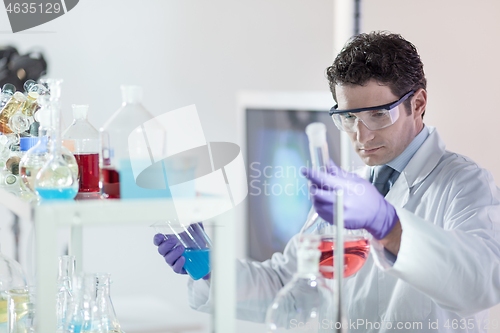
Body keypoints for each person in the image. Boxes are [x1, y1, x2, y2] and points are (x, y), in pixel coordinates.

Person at [154, 31, 500, 332]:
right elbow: (286, 287)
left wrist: (388, 224)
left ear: (418, 103)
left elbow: (482, 282)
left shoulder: (464, 184)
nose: (361, 135)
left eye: (378, 114)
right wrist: (213, 271)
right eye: (348, 117)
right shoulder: (346, 192)